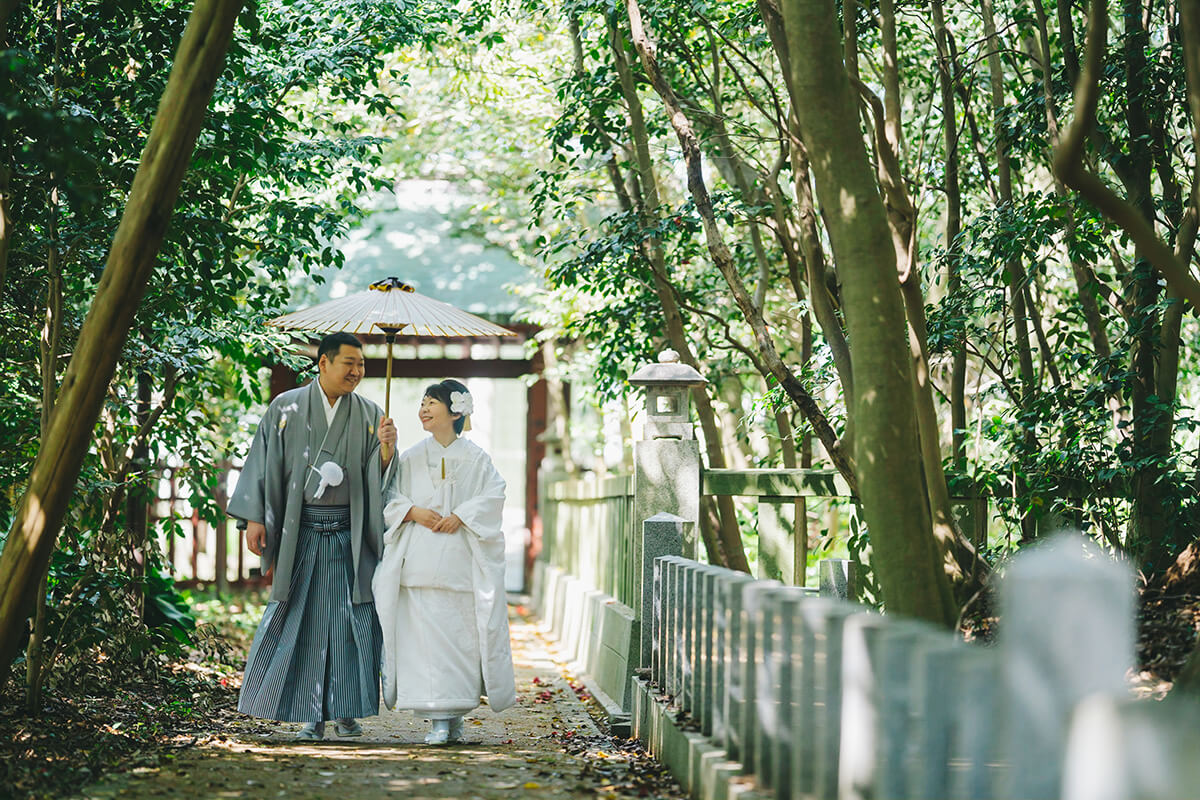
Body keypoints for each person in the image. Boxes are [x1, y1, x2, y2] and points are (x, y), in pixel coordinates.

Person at [227, 331, 397, 741]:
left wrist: (387, 453)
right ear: (323, 363)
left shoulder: (372, 414)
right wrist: (255, 518)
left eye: (361, 365)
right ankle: (310, 714)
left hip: (349, 536)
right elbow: (263, 464)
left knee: (353, 622)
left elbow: (380, 479)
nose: (357, 372)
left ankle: (346, 709)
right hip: (300, 534)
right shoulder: (285, 409)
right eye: (348, 363)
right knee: (301, 620)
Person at [373, 379, 516, 745]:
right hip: (419, 562)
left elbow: (494, 494)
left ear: (455, 412)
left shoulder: (477, 458)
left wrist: (464, 515)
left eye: (431, 403)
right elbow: (390, 497)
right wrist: (413, 511)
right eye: (422, 402)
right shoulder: (411, 456)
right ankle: (438, 718)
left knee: (459, 641)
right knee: (424, 645)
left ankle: (455, 715)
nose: (423, 409)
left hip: (459, 563)